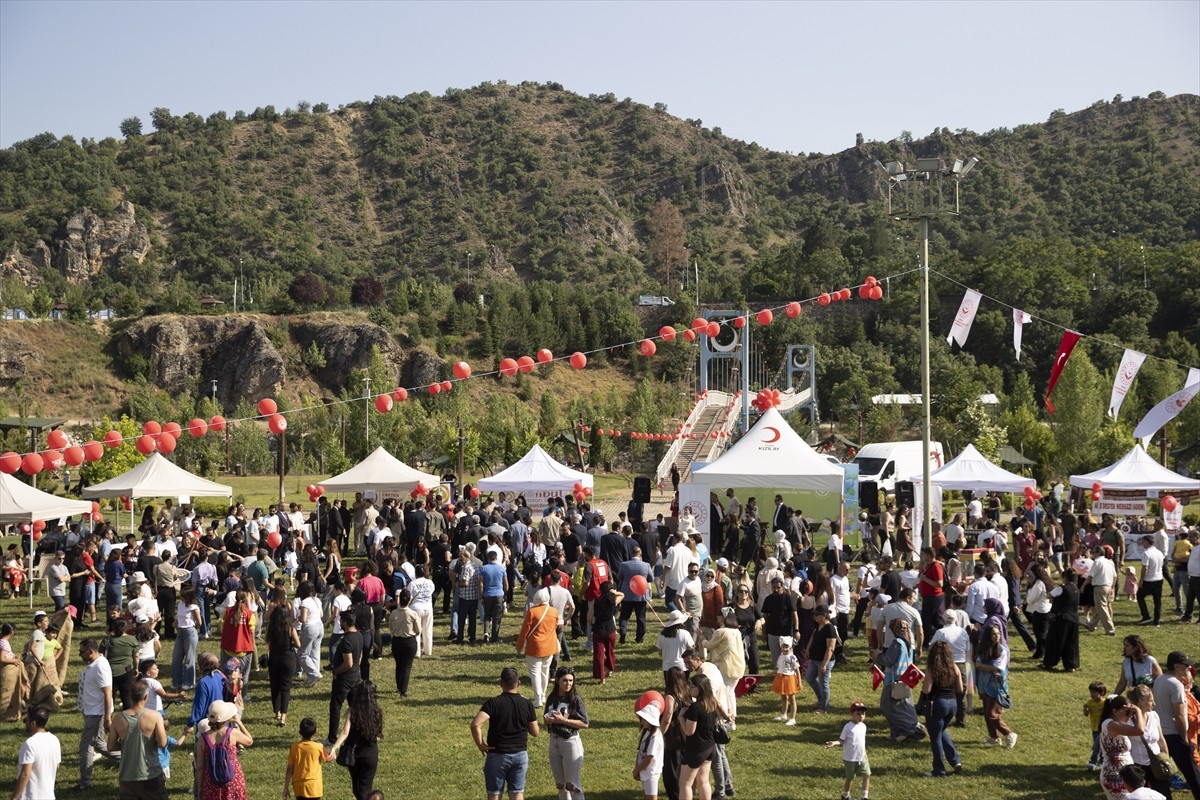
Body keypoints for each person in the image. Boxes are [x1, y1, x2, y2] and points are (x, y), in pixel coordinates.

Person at [471, 666, 541, 800]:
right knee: (517, 793)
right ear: (518, 683)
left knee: (495, 794)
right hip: (520, 754)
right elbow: (535, 732)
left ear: (500, 683)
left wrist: (481, 744)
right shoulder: (526, 703)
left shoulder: (493, 703)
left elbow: (475, 725)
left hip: (497, 754)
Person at [107, 679, 169, 800]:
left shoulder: (118, 719)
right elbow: (162, 743)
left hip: (127, 777)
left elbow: (110, 747)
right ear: (146, 697)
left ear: (130, 696)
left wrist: (128, 745)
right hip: (150, 774)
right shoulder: (155, 716)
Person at [1153, 650, 1200, 796]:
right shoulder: (1176, 685)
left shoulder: (1160, 679)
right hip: (1175, 735)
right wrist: (1185, 739)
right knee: (1194, 776)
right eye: (1185, 665)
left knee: (1161, 775)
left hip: (1161, 734)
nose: (1188, 668)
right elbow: (1179, 715)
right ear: (1176, 666)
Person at [329, 681, 383, 800]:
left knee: (357, 789)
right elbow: (378, 735)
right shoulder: (377, 712)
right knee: (365, 787)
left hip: (354, 756)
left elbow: (345, 732)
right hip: (371, 755)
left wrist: (334, 747)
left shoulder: (352, 711)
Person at [543, 666, 589, 800]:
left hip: (570, 742)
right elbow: (546, 717)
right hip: (554, 741)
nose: (568, 684)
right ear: (557, 680)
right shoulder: (552, 698)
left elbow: (584, 723)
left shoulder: (575, 699)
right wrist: (548, 720)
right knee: (560, 785)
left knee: (572, 785)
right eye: (564, 680)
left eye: (570, 680)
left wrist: (563, 720)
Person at [74, 638, 113, 791]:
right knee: (98, 743)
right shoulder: (93, 664)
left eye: (82, 652)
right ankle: (128, 760)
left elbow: (107, 693)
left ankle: (85, 782)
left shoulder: (100, 667)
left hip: (96, 713)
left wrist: (107, 718)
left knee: (86, 748)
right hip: (90, 711)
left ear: (91, 651)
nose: (79, 655)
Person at [919, 640, 963, 777]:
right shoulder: (954, 667)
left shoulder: (932, 669)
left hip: (938, 704)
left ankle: (939, 770)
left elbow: (927, 690)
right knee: (941, 731)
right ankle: (955, 761)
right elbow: (960, 689)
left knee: (935, 737)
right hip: (952, 704)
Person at [678, 672, 723, 800]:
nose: (690, 688)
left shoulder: (695, 708)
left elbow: (689, 732)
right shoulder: (712, 704)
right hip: (710, 748)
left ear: (701, 688)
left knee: (685, 783)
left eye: (693, 686)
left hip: (696, 750)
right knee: (703, 781)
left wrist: (681, 717)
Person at [196, 700, 253, 800]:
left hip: (211, 781)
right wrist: (238, 722)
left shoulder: (202, 738)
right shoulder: (232, 733)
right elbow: (249, 741)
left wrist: (200, 787)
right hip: (233, 779)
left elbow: (200, 767)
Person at [516, 589, 561, 707]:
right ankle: (543, 695)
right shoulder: (554, 611)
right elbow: (555, 627)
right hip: (550, 645)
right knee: (544, 672)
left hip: (534, 646)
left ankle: (537, 698)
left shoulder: (532, 612)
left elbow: (524, 630)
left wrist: (519, 646)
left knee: (535, 672)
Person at [1127, 684, 1173, 798]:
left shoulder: (1154, 715)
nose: (1154, 704)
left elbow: (1161, 739)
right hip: (1138, 765)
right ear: (1141, 701)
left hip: (1156, 763)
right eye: (1151, 701)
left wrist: (1166, 759)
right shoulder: (1128, 720)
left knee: (1164, 794)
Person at [975, 625, 1017, 749]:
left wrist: (985, 667)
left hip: (996, 687)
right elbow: (977, 664)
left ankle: (1009, 734)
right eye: (994, 634)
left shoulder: (1003, 651)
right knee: (987, 713)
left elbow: (998, 668)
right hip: (984, 685)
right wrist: (987, 667)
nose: (997, 636)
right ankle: (994, 737)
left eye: (998, 634)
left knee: (991, 714)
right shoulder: (983, 649)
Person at [328, 609, 364, 748]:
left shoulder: (347, 640)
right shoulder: (359, 635)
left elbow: (348, 663)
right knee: (356, 708)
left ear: (344, 622)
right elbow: (359, 657)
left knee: (336, 707)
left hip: (344, 679)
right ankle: (362, 732)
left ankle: (332, 737)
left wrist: (336, 671)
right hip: (356, 677)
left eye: (340, 621)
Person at [1099, 694, 1146, 800]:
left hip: (1122, 774)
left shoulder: (1114, 724)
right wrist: (1138, 710)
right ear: (1115, 711)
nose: (1130, 716)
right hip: (1115, 775)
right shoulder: (1111, 725)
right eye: (1127, 712)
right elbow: (1139, 730)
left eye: (1132, 713)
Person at [823, 701, 870, 800]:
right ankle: (845, 795)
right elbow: (841, 740)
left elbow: (862, 741)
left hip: (862, 756)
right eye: (858, 714)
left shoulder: (863, 726)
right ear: (852, 714)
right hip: (850, 758)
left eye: (863, 713)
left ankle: (864, 796)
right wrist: (834, 743)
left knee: (867, 775)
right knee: (850, 778)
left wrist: (864, 752)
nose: (861, 716)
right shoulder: (848, 727)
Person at [266, 602, 302, 727]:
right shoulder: (290, 628)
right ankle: (284, 717)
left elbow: (268, 642)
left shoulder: (271, 627)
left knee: (275, 686)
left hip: (274, 657)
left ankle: (277, 712)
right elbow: (298, 645)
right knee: (285, 688)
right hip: (288, 657)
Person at [14, 704, 61, 800]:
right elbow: (57, 765)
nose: (25, 722)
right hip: (49, 796)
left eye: (26, 720)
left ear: (33, 723)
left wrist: (14, 798)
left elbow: (25, 775)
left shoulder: (30, 744)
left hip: (31, 796)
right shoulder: (54, 739)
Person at [1040, 570, 1081, 673]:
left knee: (1054, 642)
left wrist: (1055, 600)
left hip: (1061, 619)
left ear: (1065, 577)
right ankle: (1071, 665)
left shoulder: (1061, 589)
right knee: (1071, 644)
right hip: (1074, 619)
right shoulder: (1076, 589)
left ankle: (1049, 663)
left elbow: (1049, 595)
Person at [387, 588, 420, 698]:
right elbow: (418, 630)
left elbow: (390, 628)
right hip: (409, 642)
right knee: (406, 666)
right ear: (409, 600)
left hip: (397, 641)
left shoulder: (393, 613)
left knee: (399, 665)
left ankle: (399, 686)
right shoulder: (413, 614)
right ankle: (403, 690)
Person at [806, 604, 838, 714]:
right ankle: (821, 699)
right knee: (809, 677)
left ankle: (824, 707)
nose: (815, 617)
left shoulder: (830, 628)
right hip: (815, 659)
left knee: (823, 683)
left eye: (817, 615)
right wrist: (808, 649)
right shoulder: (818, 625)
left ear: (824, 615)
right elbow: (813, 636)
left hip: (824, 661)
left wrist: (824, 664)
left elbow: (830, 648)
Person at [590, 580, 623, 684]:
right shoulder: (613, 601)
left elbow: (589, 617)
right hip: (610, 629)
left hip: (598, 629)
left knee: (598, 654)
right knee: (610, 651)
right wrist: (613, 591)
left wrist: (592, 624)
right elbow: (622, 594)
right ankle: (610, 668)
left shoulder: (596, 601)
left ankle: (601, 677)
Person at [295, 581, 324, 688]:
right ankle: (313, 677)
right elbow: (321, 614)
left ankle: (314, 674)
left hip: (310, 628)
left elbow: (303, 619)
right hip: (319, 626)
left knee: (302, 654)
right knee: (315, 652)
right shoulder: (316, 599)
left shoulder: (305, 602)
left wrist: (297, 617)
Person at [173, 584, 202, 692]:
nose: (182, 598)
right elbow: (178, 617)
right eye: (181, 596)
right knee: (176, 658)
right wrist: (176, 623)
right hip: (180, 632)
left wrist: (195, 629)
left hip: (190, 632)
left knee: (189, 658)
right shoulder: (180, 604)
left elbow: (199, 622)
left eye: (184, 597)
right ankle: (176, 682)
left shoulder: (194, 607)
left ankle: (188, 682)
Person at [634, 702, 664, 800]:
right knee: (646, 797)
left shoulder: (655, 737)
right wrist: (637, 767)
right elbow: (641, 751)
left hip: (651, 772)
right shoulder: (647, 732)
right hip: (644, 770)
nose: (642, 721)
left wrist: (637, 769)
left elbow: (649, 758)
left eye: (644, 719)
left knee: (651, 797)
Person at [657, 609, 696, 682]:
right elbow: (691, 649)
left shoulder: (662, 635)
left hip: (667, 667)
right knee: (682, 689)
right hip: (682, 667)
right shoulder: (685, 634)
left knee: (670, 689)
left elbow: (660, 652)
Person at [1137, 535, 1166, 625]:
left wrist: (1141, 580)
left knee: (1140, 596)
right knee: (1157, 601)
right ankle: (1157, 620)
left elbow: (1145, 567)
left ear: (1147, 542)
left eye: (1143, 541)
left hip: (1149, 579)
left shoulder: (1146, 553)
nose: (1142, 543)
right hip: (1159, 578)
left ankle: (1146, 616)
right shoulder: (1159, 552)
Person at [771, 635, 800, 725]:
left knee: (792, 699)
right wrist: (773, 673)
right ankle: (784, 714)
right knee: (783, 697)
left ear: (790, 647)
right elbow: (779, 668)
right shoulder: (780, 657)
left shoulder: (792, 657)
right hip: (781, 678)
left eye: (787, 647)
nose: (785, 649)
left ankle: (792, 718)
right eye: (783, 647)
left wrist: (799, 681)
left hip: (790, 678)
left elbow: (797, 670)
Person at [1085, 681, 1109, 770]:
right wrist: (1086, 709)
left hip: (1102, 729)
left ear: (1102, 693)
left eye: (1094, 692)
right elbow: (1086, 714)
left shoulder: (1105, 703)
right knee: (1098, 745)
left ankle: (1093, 761)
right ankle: (1102, 762)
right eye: (1091, 692)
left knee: (1097, 746)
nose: (1092, 694)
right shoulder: (1090, 702)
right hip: (1094, 728)